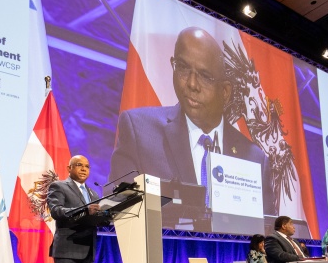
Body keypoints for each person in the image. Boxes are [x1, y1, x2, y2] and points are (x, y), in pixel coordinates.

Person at [108, 27, 275, 223]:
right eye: (183, 68)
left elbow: (267, 231)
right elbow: (117, 213)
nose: (192, 84)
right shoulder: (139, 131)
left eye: (205, 75)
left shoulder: (255, 158)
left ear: (225, 92)